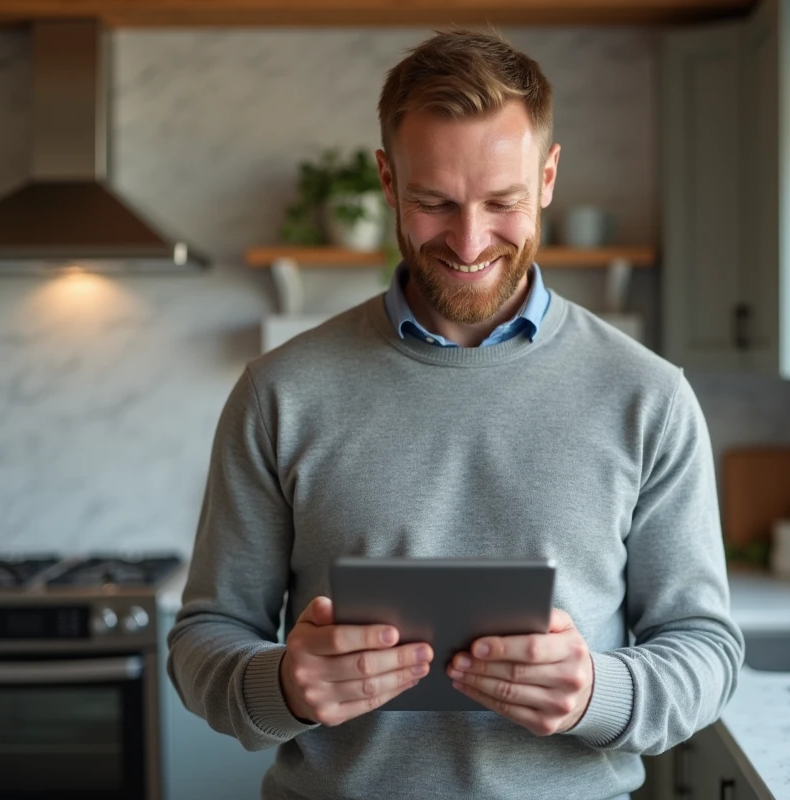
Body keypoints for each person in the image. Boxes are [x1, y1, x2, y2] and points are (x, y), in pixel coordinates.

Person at [168, 28, 743, 800]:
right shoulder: (280, 392)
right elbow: (202, 643)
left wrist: (597, 694)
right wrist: (283, 687)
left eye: (502, 202)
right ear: (387, 179)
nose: (470, 242)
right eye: (434, 202)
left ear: (547, 177)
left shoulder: (651, 397)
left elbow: (707, 650)